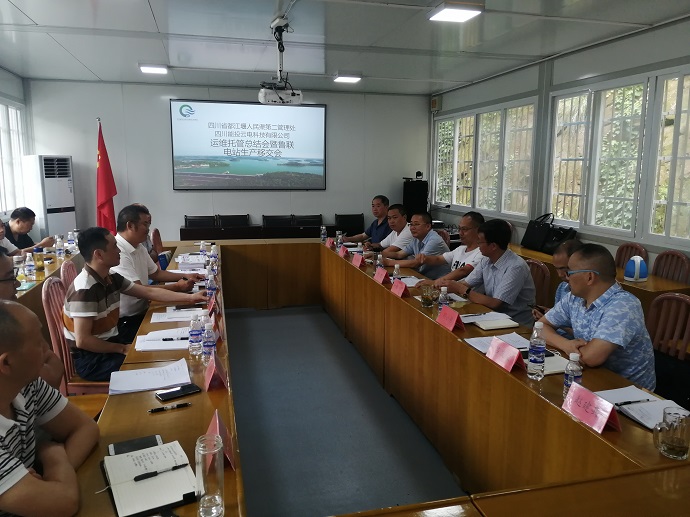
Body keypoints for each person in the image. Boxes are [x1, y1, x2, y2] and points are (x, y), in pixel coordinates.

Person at [63, 227, 207, 382]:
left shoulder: (110, 277)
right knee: (153, 367)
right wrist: (122, 348)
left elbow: (148, 292)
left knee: (161, 354)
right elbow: (83, 340)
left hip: (112, 343)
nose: (119, 250)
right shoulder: (85, 289)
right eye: (114, 247)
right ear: (98, 254)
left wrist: (191, 298)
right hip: (93, 360)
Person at [0, 300, 100, 517]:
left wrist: (54, 479)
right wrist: (53, 455)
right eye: (38, 342)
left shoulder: (26, 384)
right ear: (6, 363)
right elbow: (64, 503)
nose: (47, 349)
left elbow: (85, 428)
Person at [539, 243, 656, 390]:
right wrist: (566, 345)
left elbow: (592, 357)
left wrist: (571, 348)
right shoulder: (574, 298)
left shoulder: (624, 305)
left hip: (627, 391)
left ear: (589, 277)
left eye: (570, 272)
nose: (566, 278)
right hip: (590, 377)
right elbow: (540, 327)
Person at [111, 205, 204, 341]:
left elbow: (156, 274)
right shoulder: (118, 252)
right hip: (128, 321)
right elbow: (140, 290)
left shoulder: (138, 246)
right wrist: (177, 287)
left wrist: (185, 276)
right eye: (145, 224)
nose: (148, 229)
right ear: (130, 225)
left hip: (145, 310)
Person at [442, 219, 535, 326]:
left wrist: (461, 289)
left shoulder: (516, 267)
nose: (477, 245)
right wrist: (447, 285)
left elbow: (495, 303)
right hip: (492, 316)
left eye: (480, 242)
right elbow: (466, 283)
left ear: (493, 246)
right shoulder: (486, 259)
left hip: (516, 323)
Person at [0, 247, 64, 390]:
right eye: (10, 278)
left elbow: (55, 369)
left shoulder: (19, 319)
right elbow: (50, 375)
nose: (17, 284)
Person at [415, 211, 484, 287]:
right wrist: (425, 258)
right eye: (459, 229)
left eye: (464, 229)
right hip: (449, 290)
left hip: (464, 292)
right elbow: (439, 259)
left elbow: (463, 271)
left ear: (478, 230)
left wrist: (435, 282)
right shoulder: (460, 249)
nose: (460, 233)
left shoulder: (482, 253)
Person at [532, 239, 583, 340]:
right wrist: (548, 313)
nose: (560, 274)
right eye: (557, 268)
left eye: (565, 269)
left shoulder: (586, 293)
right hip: (556, 338)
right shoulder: (562, 287)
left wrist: (558, 322)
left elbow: (584, 336)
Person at [383, 212, 451, 280]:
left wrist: (388, 262)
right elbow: (399, 254)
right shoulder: (417, 239)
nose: (412, 228)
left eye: (416, 224)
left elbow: (416, 263)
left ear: (428, 226)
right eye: (411, 224)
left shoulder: (434, 240)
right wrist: (379, 255)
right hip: (422, 277)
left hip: (439, 281)